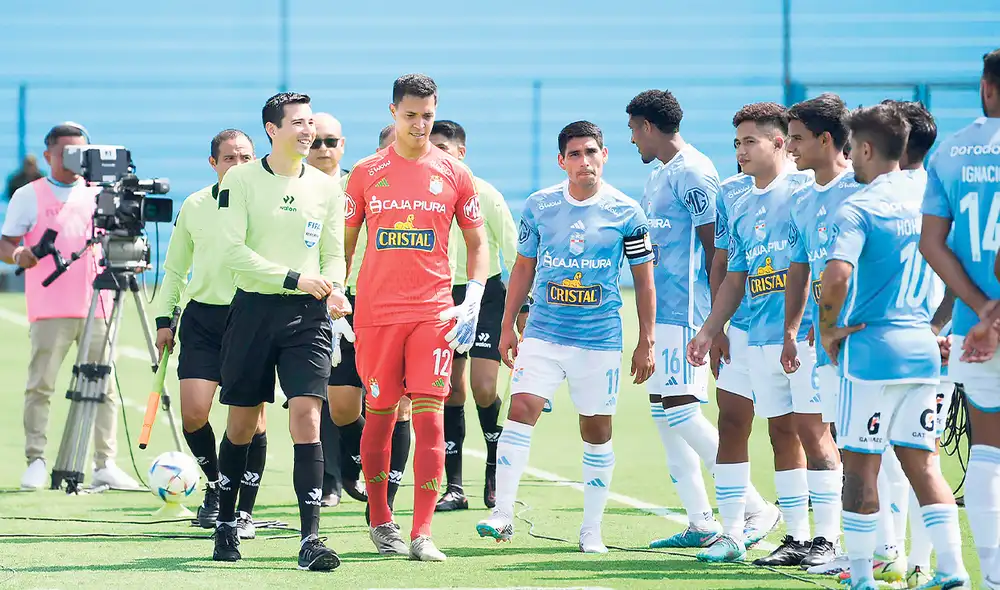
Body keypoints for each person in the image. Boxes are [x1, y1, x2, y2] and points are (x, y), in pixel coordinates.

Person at [476, 120, 656, 554]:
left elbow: (644, 278)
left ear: (604, 155)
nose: (584, 161)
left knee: (596, 430)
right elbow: (523, 266)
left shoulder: (627, 212)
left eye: (591, 152)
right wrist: (507, 324)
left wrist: (646, 340)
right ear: (562, 161)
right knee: (521, 409)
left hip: (598, 340)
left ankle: (591, 529)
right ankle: (502, 515)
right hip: (543, 332)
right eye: (574, 154)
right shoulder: (539, 206)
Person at [820, 103, 969, 590]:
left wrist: (829, 328)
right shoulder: (929, 196)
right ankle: (952, 568)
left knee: (861, 466)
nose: (849, 158)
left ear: (865, 149)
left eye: (851, 149)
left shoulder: (859, 206)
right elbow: (956, 266)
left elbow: (836, 276)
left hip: (870, 354)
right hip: (923, 351)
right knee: (923, 463)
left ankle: (863, 576)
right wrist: (937, 324)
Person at [344, 73, 489, 562]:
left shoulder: (454, 172)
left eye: (427, 115)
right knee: (380, 414)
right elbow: (343, 245)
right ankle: (380, 520)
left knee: (430, 417)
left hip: (433, 312)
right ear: (393, 112)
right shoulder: (365, 171)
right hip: (377, 314)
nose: (420, 124)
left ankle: (423, 532)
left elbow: (477, 242)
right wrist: (335, 296)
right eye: (410, 115)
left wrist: (473, 296)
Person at [625, 89, 774, 549]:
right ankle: (700, 521)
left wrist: (715, 323)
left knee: (683, 410)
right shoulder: (660, 173)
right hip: (662, 310)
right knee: (663, 413)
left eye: (633, 130)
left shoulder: (693, 171)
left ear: (648, 126)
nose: (632, 140)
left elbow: (717, 249)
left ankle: (756, 507)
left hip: (687, 311)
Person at [688, 102, 832, 567]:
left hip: (805, 335)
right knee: (750, 425)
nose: (740, 151)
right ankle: (749, 533)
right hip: (752, 334)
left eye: (749, 141)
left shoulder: (810, 189)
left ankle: (829, 540)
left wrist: (820, 322)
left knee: (810, 433)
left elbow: (821, 262)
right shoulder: (734, 196)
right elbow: (730, 270)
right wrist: (712, 329)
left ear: (780, 143)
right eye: (737, 143)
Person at [211, 91, 350, 571]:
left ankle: (310, 539)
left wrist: (336, 288)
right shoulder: (241, 179)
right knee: (241, 425)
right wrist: (295, 277)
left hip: (307, 316)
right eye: (298, 123)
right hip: (253, 311)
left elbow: (334, 253)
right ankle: (226, 523)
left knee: (308, 416)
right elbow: (232, 251)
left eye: (311, 122)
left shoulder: (328, 187)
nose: (308, 131)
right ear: (272, 130)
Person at [0, 122, 139, 491]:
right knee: (41, 385)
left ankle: (105, 463)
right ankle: (36, 459)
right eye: (67, 152)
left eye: (81, 152)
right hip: (50, 306)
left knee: (104, 386)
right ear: (49, 155)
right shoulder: (29, 194)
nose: (75, 159)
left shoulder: (101, 193)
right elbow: (6, 241)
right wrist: (19, 254)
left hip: (99, 303)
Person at [154, 129, 266, 538]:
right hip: (202, 319)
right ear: (213, 163)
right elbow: (175, 269)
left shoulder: (266, 204)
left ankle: (244, 510)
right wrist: (163, 319)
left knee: (252, 422)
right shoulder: (195, 205)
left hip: (251, 316)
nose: (238, 164)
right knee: (194, 413)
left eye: (245, 157)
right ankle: (217, 485)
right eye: (229, 158)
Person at [920, 47, 1000, 590]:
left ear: (986, 87)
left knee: (988, 453)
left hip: (976, 330)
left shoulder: (950, 151)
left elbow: (933, 243)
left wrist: (983, 308)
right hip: (985, 324)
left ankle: (992, 578)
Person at [429, 119, 519, 513]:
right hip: (440, 296)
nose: (435, 156)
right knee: (449, 388)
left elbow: (515, 252)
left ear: (460, 153)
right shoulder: (423, 192)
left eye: (443, 148)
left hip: (485, 295)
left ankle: (495, 468)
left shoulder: (485, 194)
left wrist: (522, 308)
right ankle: (454, 486)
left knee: (483, 388)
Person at [781, 93, 855, 569]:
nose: (790, 147)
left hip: (860, 337)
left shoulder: (861, 190)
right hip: (817, 337)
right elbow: (799, 267)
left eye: (797, 138)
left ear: (826, 139)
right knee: (816, 429)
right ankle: (826, 541)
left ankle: (881, 549)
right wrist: (794, 327)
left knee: (864, 442)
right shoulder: (802, 198)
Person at [326, 123, 412, 516]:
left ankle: (385, 501)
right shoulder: (356, 182)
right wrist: (335, 289)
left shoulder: (428, 189)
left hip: (404, 306)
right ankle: (358, 464)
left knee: (400, 405)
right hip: (352, 303)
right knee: (342, 406)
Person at [306, 111, 363, 508]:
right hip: (308, 298)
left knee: (357, 397)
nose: (323, 149)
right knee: (318, 393)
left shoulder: (357, 186)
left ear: (342, 146)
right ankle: (329, 481)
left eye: (331, 142)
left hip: (355, 299)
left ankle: (356, 467)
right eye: (316, 142)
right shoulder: (294, 187)